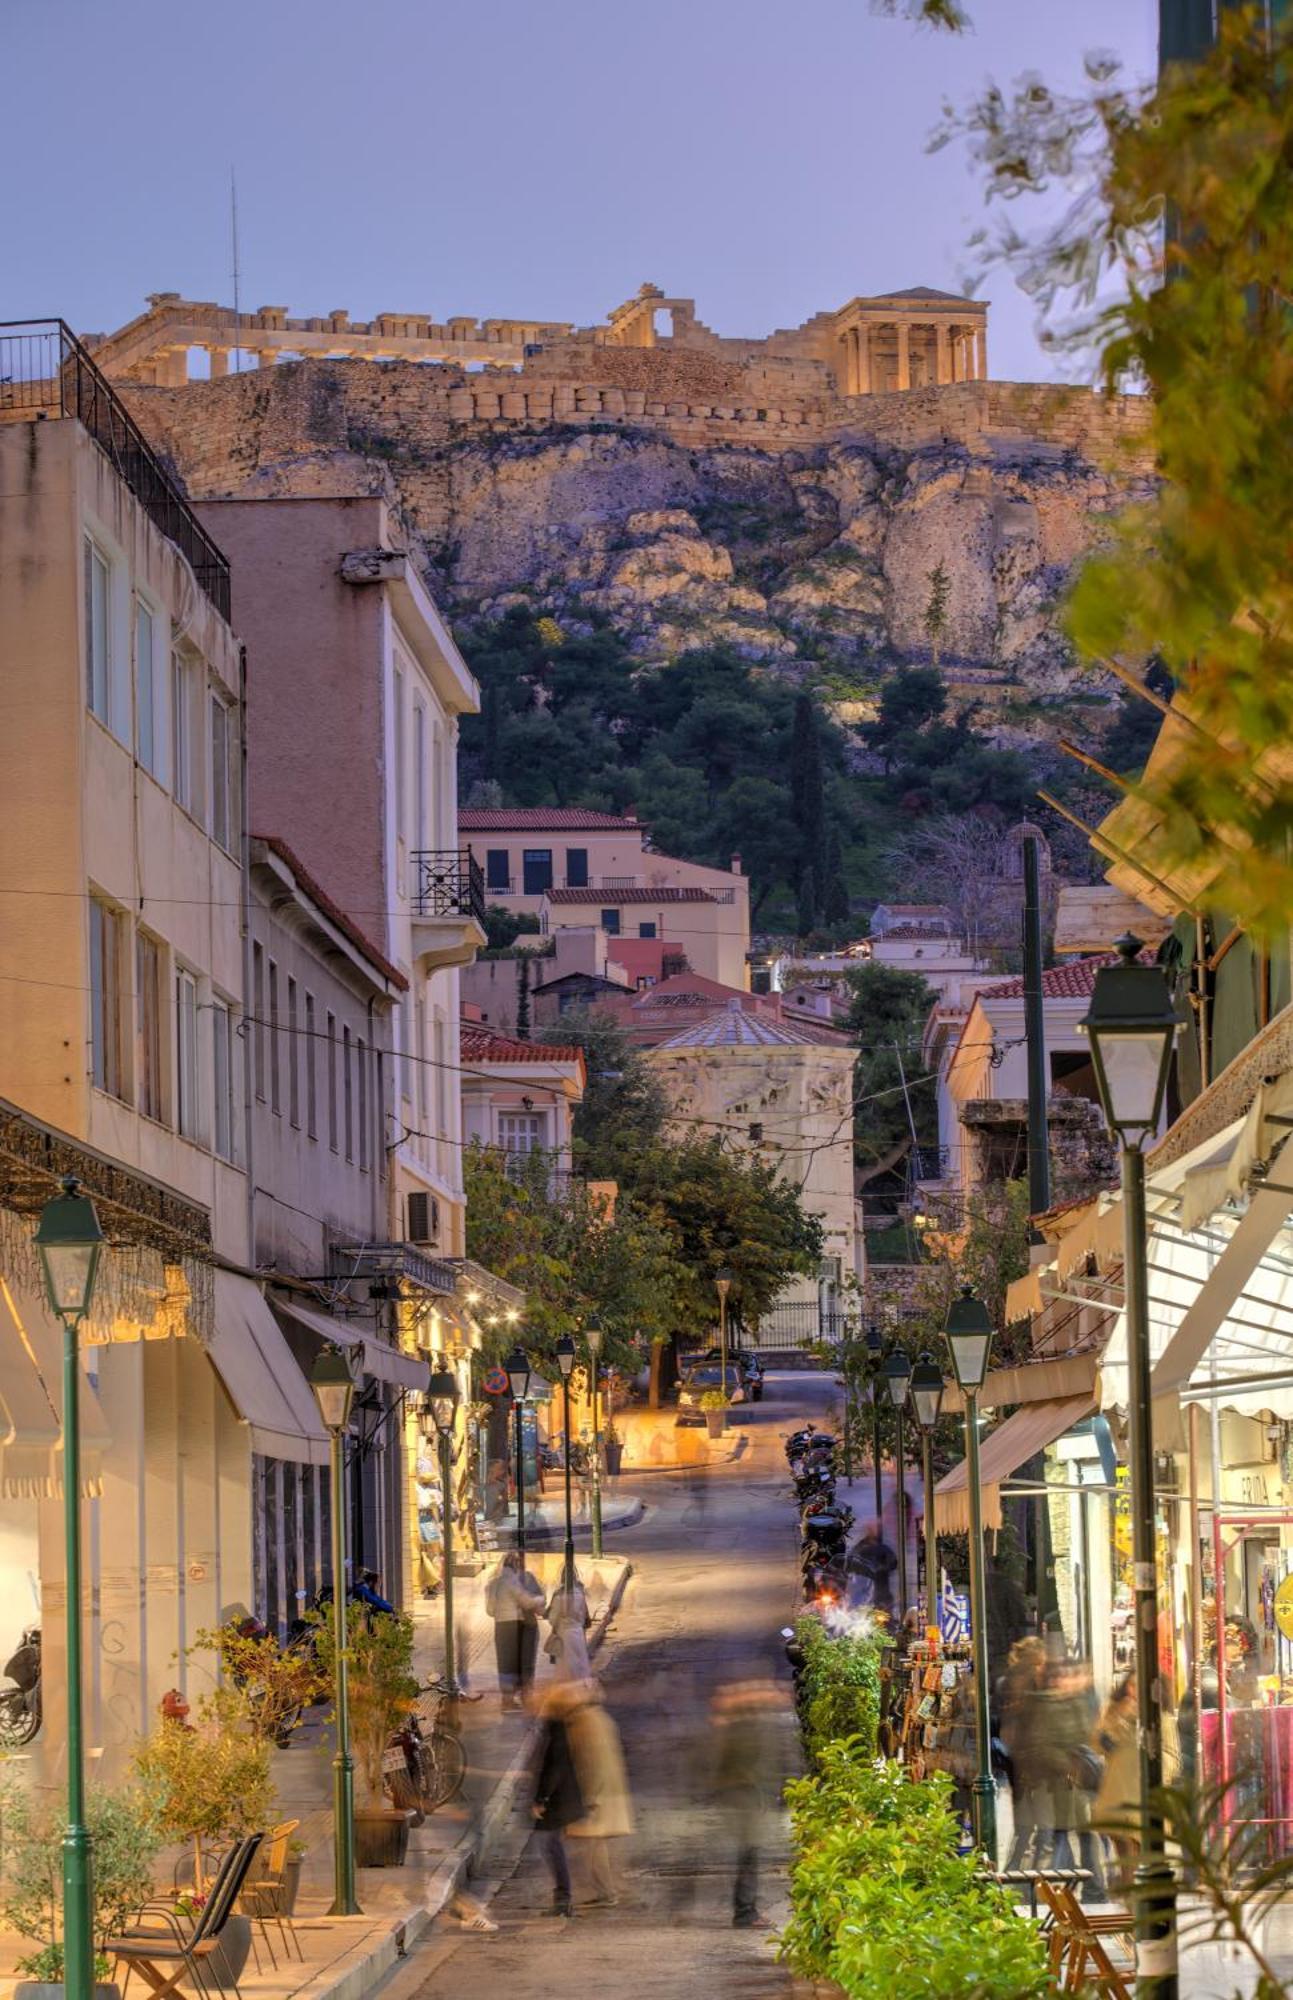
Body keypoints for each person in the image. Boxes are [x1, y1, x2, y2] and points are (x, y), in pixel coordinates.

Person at [712, 1678, 789, 1929]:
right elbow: (750, 1768)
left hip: (747, 1800)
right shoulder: (747, 1730)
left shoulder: (744, 1727)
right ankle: (745, 1911)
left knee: (748, 1855)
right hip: (746, 1802)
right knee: (749, 1854)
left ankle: (746, 1908)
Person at [566, 1680, 634, 1906]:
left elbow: (590, 1764)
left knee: (593, 1848)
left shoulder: (584, 1722)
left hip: (598, 1795)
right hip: (608, 1793)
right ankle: (606, 1891)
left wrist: (589, 1798)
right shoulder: (600, 1718)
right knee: (595, 1846)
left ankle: (607, 1892)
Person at [532, 1683, 587, 1918]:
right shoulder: (558, 1726)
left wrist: (541, 1798)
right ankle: (563, 1896)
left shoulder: (555, 1729)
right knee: (551, 1845)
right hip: (561, 1797)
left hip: (557, 1799)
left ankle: (563, 1898)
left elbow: (553, 1767)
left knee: (551, 1846)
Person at [1091, 1675, 1139, 1883]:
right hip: (1116, 1788)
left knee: (1136, 1847)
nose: (1133, 1689)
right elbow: (1097, 1743)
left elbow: (1170, 1755)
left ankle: (1135, 1896)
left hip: (1140, 1789)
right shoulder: (1112, 1709)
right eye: (1131, 1684)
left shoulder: (1156, 1712)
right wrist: (1118, 1719)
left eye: (1138, 1685)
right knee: (1123, 1847)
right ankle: (1131, 1897)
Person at [486, 1550, 544, 1709]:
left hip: (499, 1625)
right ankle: (514, 1699)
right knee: (515, 1662)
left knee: (503, 1662)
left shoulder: (493, 1583)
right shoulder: (512, 1581)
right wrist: (540, 1600)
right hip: (513, 1624)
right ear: (515, 1565)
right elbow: (526, 1602)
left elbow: (490, 1610)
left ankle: (506, 1698)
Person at [545, 1573, 592, 1682]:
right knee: (580, 1662)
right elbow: (582, 1616)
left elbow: (553, 1619)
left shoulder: (558, 1597)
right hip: (578, 1633)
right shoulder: (580, 1595)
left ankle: (567, 1691)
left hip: (564, 1634)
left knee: (565, 1665)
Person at [847, 1520, 897, 1614]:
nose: (874, 1531)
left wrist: (881, 1568)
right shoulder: (860, 1548)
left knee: (883, 1613)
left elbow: (893, 1563)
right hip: (864, 1589)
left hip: (880, 1589)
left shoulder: (882, 1549)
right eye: (871, 1529)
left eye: (875, 1529)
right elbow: (851, 1563)